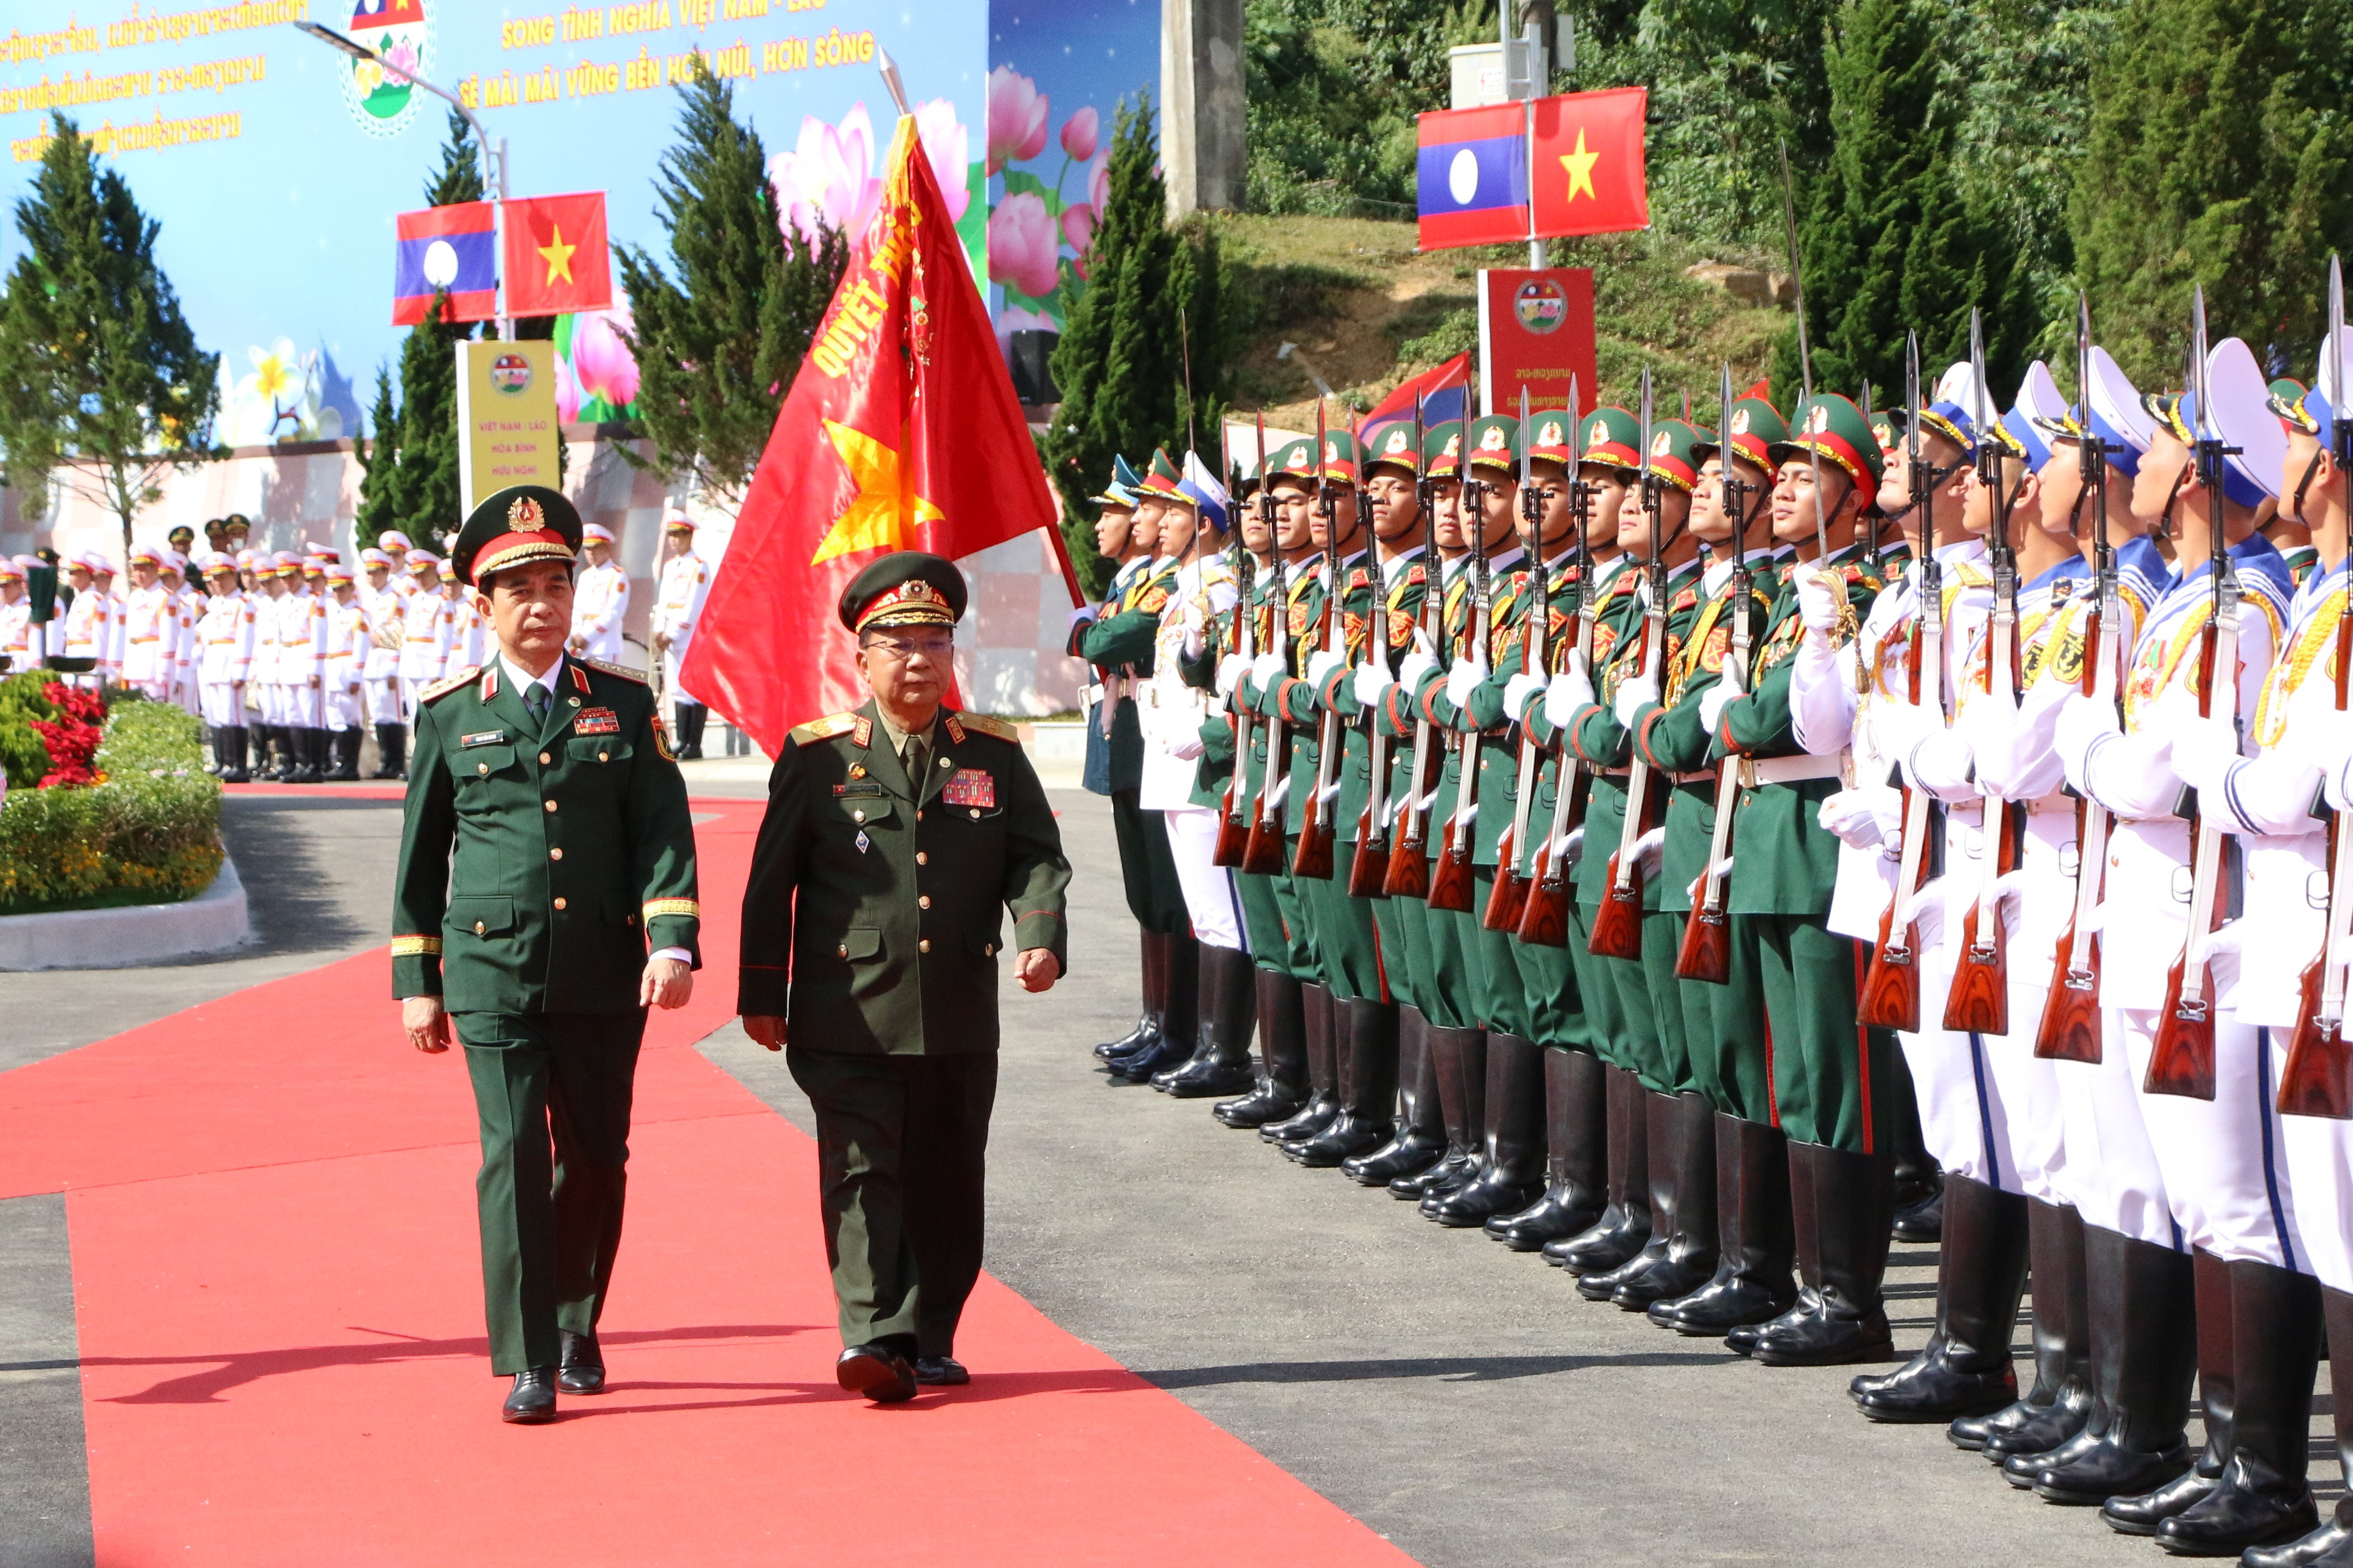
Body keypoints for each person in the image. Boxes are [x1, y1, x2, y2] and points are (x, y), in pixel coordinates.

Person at [390, 482, 700, 1425]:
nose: (540, 604)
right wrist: (417, 982)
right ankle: (528, 1355)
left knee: (597, 1157)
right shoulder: (450, 714)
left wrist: (672, 939)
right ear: (482, 604)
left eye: (555, 584)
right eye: (518, 587)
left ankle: (576, 1318)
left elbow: (662, 831)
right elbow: (419, 853)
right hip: (491, 970)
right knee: (514, 1154)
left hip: (605, 971)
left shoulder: (622, 702)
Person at [739, 551, 1069, 1403]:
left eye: (934, 640)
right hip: (843, 1008)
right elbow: (771, 880)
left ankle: (929, 1332)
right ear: (862, 656)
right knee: (858, 1169)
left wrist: (1039, 934)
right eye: (897, 642)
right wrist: (760, 992)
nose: (917, 657)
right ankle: (873, 1333)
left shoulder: (991, 753)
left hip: (957, 1003)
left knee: (948, 1172)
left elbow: (1035, 856)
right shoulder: (816, 759)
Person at [650, 510, 711, 758]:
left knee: (692, 688)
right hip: (670, 637)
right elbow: (664, 602)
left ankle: (694, 744)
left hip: (688, 636)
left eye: (678, 535)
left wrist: (672, 633)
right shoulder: (670, 566)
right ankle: (683, 741)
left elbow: (693, 607)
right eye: (671, 535)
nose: (673, 540)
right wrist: (659, 632)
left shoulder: (699, 567)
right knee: (676, 688)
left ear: (689, 536)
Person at [196, 553, 255, 782]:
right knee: (218, 715)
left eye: (223, 577)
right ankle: (224, 761)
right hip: (213, 663)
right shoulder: (217, 605)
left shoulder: (243, 605)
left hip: (230, 664)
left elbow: (245, 638)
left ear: (234, 576)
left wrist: (240, 671)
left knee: (234, 715)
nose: (218, 582)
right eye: (215, 578)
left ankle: (238, 765)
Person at [570, 524, 630, 666]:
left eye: (596, 548)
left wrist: (586, 635)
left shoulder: (617, 575)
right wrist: (576, 634)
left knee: (608, 686)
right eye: (588, 549)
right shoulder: (586, 576)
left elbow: (614, 612)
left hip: (605, 645)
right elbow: (577, 609)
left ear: (606, 548)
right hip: (583, 646)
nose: (591, 553)